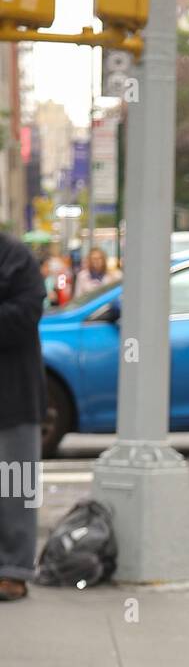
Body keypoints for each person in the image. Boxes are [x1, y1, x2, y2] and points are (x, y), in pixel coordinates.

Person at [0, 233, 47, 601]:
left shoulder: (15, 257)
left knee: (16, 485)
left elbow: (28, 311)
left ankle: (14, 570)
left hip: (14, 392)